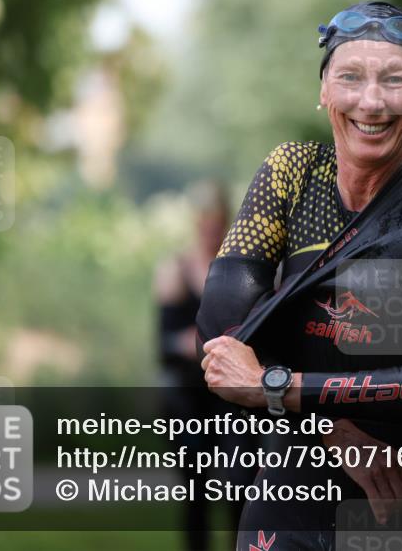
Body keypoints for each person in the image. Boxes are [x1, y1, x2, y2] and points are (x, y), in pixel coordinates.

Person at [196, 1, 402, 550]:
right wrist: (335, 434)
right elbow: (222, 338)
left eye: (394, 80)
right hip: (285, 507)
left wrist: (273, 385)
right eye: (350, 77)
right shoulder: (291, 174)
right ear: (323, 91)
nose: (372, 101)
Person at [154, 180, 247, 550]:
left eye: (217, 221)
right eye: (205, 220)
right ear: (196, 221)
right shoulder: (173, 269)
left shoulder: (242, 268)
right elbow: (164, 343)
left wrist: (198, 341)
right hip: (189, 397)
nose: (211, 228)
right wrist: (209, 344)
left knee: (240, 484)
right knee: (195, 489)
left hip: (233, 397)